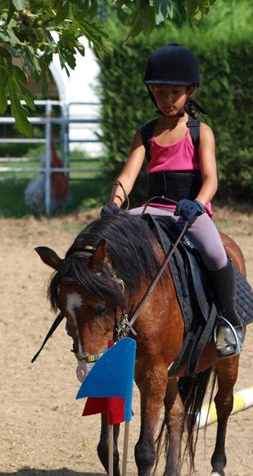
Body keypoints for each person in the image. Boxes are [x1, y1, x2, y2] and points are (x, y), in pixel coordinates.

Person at [102, 43, 243, 358]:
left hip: (189, 212)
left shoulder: (199, 132)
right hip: (152, 208)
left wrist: (198, 203)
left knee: (216, 254)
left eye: (175, 93)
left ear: (190, 91)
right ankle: (114, 319)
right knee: (113, 247)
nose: (167, 100)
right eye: (161, 92)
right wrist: (114, 205)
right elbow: (127, 177)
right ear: (152, 92)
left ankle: (228, 319)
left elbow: (211, 180)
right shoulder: (145, 134)